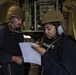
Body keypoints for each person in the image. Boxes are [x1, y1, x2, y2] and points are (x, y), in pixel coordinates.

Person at [31, 10, 76, 75]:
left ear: (59, 28)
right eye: (45, 29)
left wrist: (44, 54)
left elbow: (64, 72)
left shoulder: (68, 44)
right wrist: (37, 50)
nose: (46, 32)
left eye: (49, 29)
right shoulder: (48, 40)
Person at [0, 5, 30, 75]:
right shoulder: (2, 31)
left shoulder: (19, 33)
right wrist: (13, 58)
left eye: (22, 20)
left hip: (18, 68)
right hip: (5, 68)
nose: (20, 22)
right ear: (11, 19)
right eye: (18, 19)